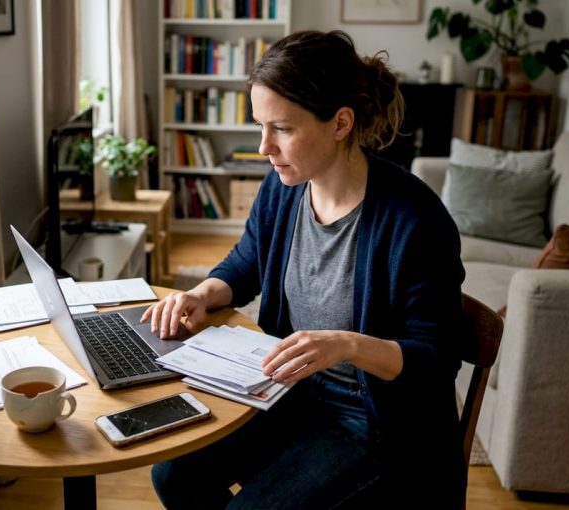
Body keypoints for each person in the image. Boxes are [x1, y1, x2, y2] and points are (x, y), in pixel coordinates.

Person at [140, 30, 467, 508]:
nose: (263, 147)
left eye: (283, 129)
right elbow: (248, 261)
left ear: (340, 123)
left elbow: (436, 361)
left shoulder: (414, 220)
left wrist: (346, 345)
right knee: (173, 476)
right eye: (260, 126)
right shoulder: (285, 187)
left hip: (373, 420)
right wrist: (203, 294)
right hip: (290, 391)